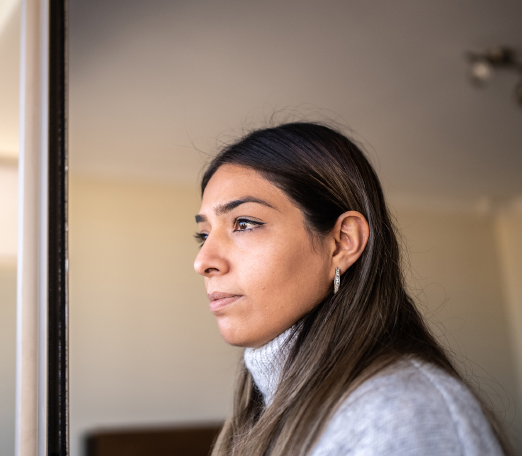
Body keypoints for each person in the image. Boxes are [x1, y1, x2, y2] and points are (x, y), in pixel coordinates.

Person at [193, 122, 511, 456]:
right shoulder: (259, 416)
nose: (203, 261)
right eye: (203, 235)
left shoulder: (401, 413)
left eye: (244, 224)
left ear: (343, 242)